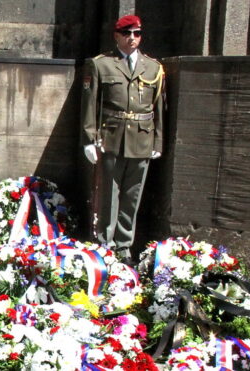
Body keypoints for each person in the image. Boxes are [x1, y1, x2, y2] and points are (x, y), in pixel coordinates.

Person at [80, 14, 164, 263]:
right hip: (111, 137)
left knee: (132, 196)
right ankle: (105, 243)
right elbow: (90, 105)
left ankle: (124, 246)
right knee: (109, 194)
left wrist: (158, 142)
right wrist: (89, 139)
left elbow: (159, 107)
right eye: (127, 34)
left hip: (142, 139)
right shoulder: (101, 64)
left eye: (136, 34)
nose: (132, 39)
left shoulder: (153, 67)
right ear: (116, 35)